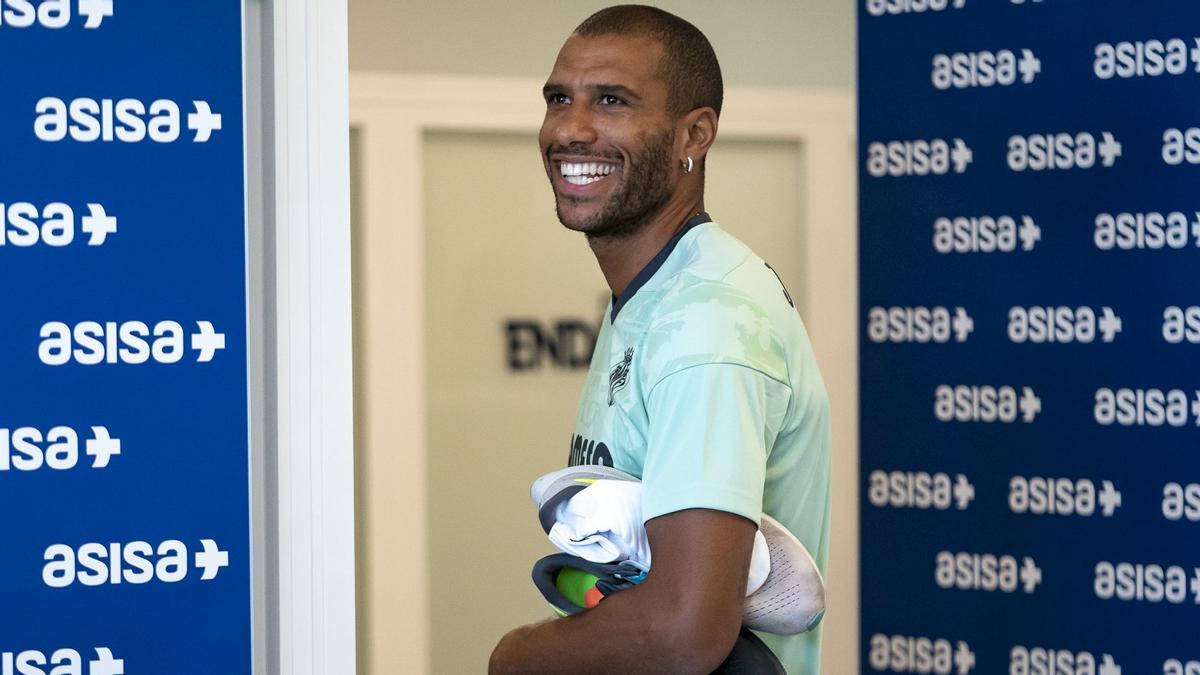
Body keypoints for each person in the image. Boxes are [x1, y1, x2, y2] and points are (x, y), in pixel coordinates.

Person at [489, 5, 832, 673]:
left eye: (611, 100)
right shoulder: (663, 291)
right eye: (559, 99)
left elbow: (683, 629)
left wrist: (515, 655)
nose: (570, 128)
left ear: (694, 134)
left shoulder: (707, 319)